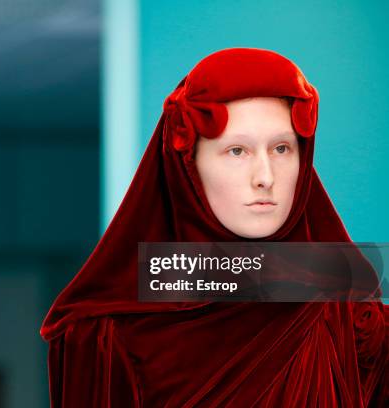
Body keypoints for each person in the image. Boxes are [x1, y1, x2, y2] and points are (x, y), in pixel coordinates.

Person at [40, 48, 388, 407]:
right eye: (237, 151)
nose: (266, 177)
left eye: (282, 148)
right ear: (188, 165)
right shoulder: (105, 334)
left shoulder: (352, 318)